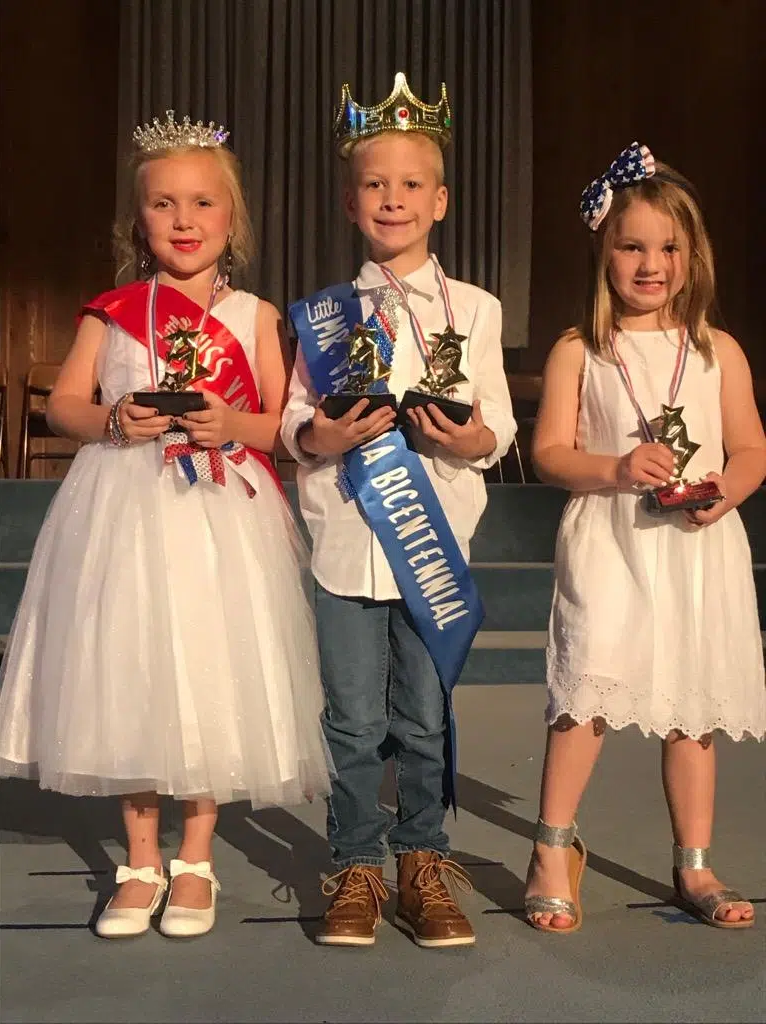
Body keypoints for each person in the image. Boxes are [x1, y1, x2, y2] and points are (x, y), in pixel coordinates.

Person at [0, 110, 332, 940]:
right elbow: (68, 404)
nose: (184, 221)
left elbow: (283, 426)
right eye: (164, 205)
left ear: (233, 218)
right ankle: (138, 859)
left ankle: (196, 858)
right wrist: (113, 420)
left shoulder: (256, 316)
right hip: (125, 509)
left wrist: (231, 423)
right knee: (132, 668)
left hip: (221, 517)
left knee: (208, 671)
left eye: (203, 204)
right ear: (137, 220)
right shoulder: (112, 312)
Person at [282, 73, 516, 948]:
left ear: (442, 199)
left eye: (411, 184)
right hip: (346, 540)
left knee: (422, 715)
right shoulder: (319, 316)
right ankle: (354, 867)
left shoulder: (479, 312)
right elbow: (290, 423)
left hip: (433, 540)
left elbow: (497, 424)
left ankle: (422, 861)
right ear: (350, 202)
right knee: (351, 717)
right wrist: (322, 436)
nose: (393, 199)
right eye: (375, 184)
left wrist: (465, 441)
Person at [524, 142, 766, 934]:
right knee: (587, 691)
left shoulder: (717, 351)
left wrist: (723, 491)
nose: (650, 263)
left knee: (691, 710)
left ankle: (694, 863)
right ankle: (553, 850)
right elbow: (549, 453)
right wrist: (619, 466)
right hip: (612, 541)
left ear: (693, 258)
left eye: (668, 248)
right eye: (632, 246)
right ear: (605, 252)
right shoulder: (579, 350)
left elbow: (751, 449)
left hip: (696, 549)